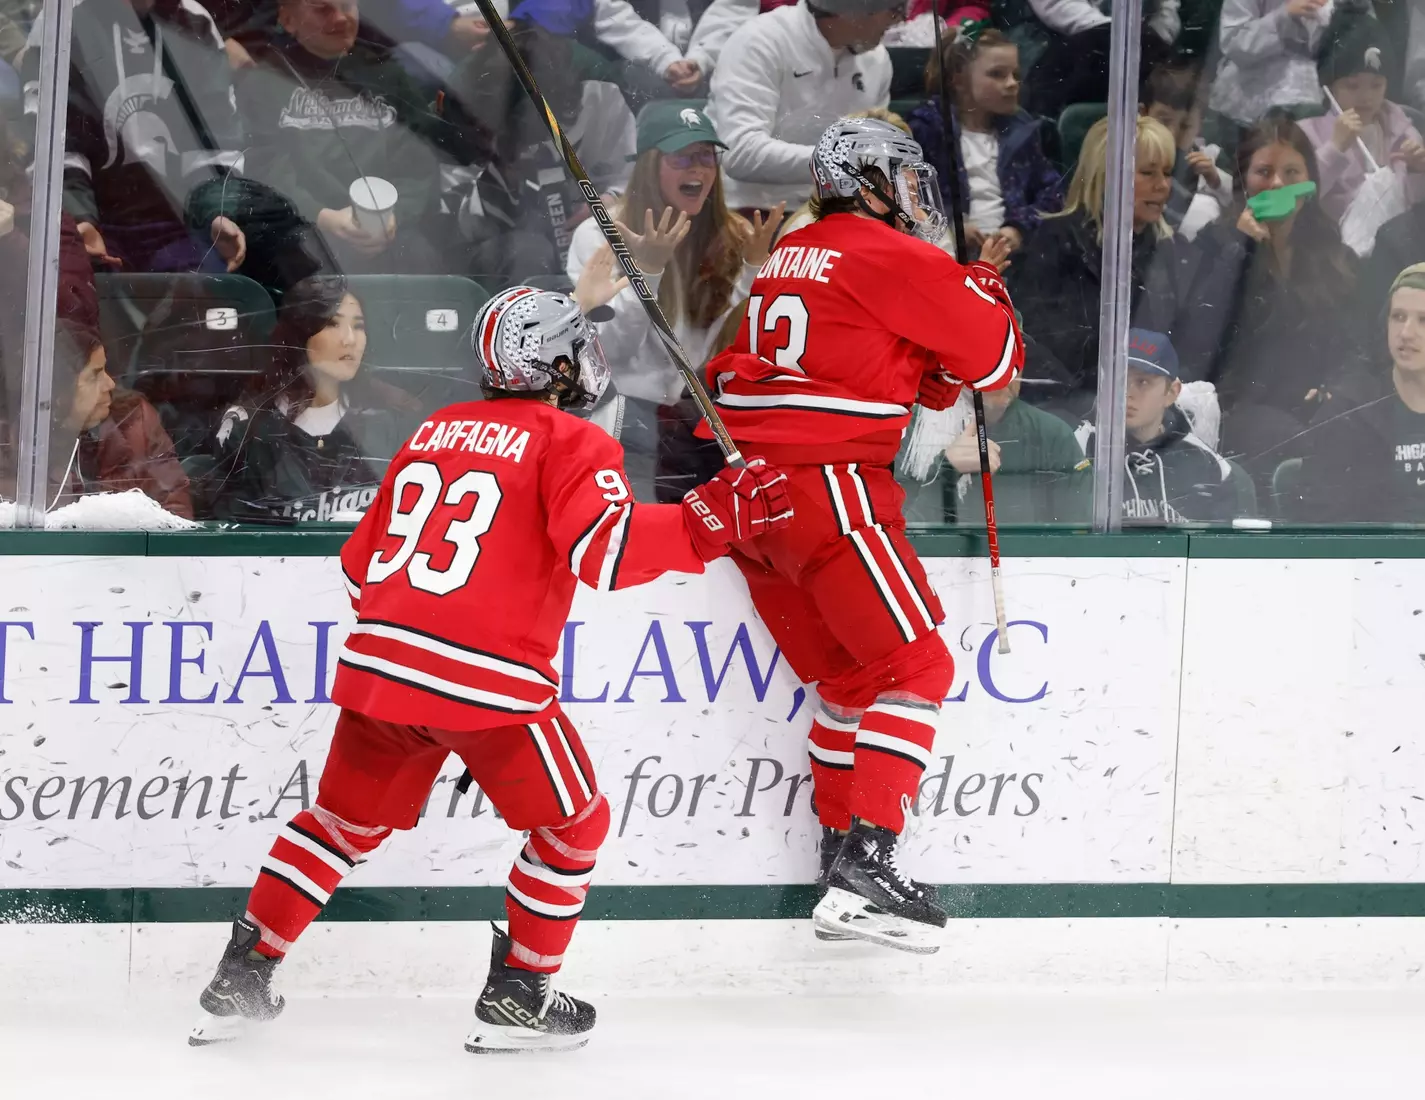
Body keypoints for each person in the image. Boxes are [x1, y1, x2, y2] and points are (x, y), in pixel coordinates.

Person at [191, 285, 792, 1051]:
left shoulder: (435, 429)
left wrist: (420, 657)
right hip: (486, 684)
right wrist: (715, 516)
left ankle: (243, 972)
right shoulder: (571, 441)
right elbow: (603, 553)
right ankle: (521, 993)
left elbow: (357, 568)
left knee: (339, 825)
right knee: (575, 825)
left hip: (381, 667)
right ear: (557, 358)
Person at [701, 117, 1023, 951]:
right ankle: (869, 864)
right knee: (918, 664)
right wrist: (982, 293)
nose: (916, 194)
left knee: (848, 687)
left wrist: (932, 357)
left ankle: (838, 858)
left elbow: (872, 364)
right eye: (905, 177)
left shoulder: (791, 254)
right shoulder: (887, 254)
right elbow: (992, 363)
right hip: (830, 488)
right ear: (871, 179)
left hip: (757, 503)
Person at [566, 102, 782, 501]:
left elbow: (734, 345)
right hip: (628, 420)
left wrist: (754, 269)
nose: (698, 170)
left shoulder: (734, 233)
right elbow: (607, 351)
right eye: (682, 157)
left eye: (706, 156)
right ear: (649, 164)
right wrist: (647, 271)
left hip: (704, 419)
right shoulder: (599, 235)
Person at [1185, 111, 1369, 487]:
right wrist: (1242, 251)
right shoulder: (1213, 246)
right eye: (1264, 172)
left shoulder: (1334, 255)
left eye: (1292, 173)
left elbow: (1357, 345)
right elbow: (1204, 338)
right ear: (1244, 182)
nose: (1278, 184)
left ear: (1310, 182)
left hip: (1323, 408)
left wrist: (1337, 391)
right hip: (1245, 409)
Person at [23, 0, 250, 274]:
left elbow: (216, 140)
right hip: (100, 224)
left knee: (211, 295)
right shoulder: (61, 23)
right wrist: (82, 221)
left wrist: (216, 212)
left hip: (182, 224)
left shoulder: (193, 19)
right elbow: (57, 148)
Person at [1012, 115, 1201, 423]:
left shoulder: (1171, 249)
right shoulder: (1056, 241)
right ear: (1108, 176)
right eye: (1148, 173)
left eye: (1167, 173)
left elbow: (1190, 341)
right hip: (1077, 410)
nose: (1163, 185)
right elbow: (1045, 346)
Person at [235, 0, 446, 276]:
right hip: (300, 233)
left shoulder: (388, 75)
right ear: (288, 20)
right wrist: (320, 216)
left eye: (347, 5)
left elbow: (419, 160)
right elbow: (264, 165)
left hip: (390, 235)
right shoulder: (263, 81)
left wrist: (396, 216)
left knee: (422, 258)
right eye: (322, 9)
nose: (340, 18)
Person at [208, 277, 421, 523]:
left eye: (359, 326)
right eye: (332, 324)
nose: (350, 339)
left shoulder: (388, 422)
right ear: (301, 332)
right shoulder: (248, 428)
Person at [704, 0, 895, 215]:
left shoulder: (878, 59)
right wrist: (843, 164)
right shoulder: (758, 40)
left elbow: (874, 149)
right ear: (850, 10)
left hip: (833, 212)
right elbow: (740, 153)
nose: (900, 19)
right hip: (750, 211)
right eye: (894, 9)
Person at [907, 23, 1062, 262]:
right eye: (997, 74)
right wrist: (950, 225)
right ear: (958, 79)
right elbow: (909, 195)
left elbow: (1051, 193)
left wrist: (1018, 229)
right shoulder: (927, 128)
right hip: (944, 257)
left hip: (1012, 261)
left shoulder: (1022, 130)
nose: (1012, 84)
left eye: (1016, 75)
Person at [1080, 329, 1256, 525]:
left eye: (1142, 382)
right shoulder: (1078, 450)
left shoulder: (1208, 464)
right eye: (1119, 380)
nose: (1127, 394)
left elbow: (1222, 548)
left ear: (1171, 393)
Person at [1295, 264, 1425, 522]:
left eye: (1424, 320)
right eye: (1398, 317)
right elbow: (1326, 532)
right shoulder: (1348, 414)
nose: (1406, 333)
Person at [1298, 13, 1425, 227]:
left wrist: (1417, 170)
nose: (1366, 97)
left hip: (1396, 248)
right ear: (1329, 86)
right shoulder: (1306, 134)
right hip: (1331, 250)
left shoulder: (1402, 128)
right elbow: (1298, 199)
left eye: (1376, 85)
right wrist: (1335, 148)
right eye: (1352, 86)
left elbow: (1413, 203)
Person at [933, 376, 1090, 524]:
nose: (1004, 368)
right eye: (991, 352)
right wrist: (945, 470)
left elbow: (1079, 534)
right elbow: (912, 532)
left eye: (1013, 353)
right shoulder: (918, 433)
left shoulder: (1052, 433)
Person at [1139, 62, 1233, 241]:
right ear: (1143, 114)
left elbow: (1238, 200)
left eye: (1185, 126)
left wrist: (1216, 181)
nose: (1172, 134)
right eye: (1163, 122)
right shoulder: (1129, 156)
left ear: (1199, 126)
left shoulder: (1209, 158)